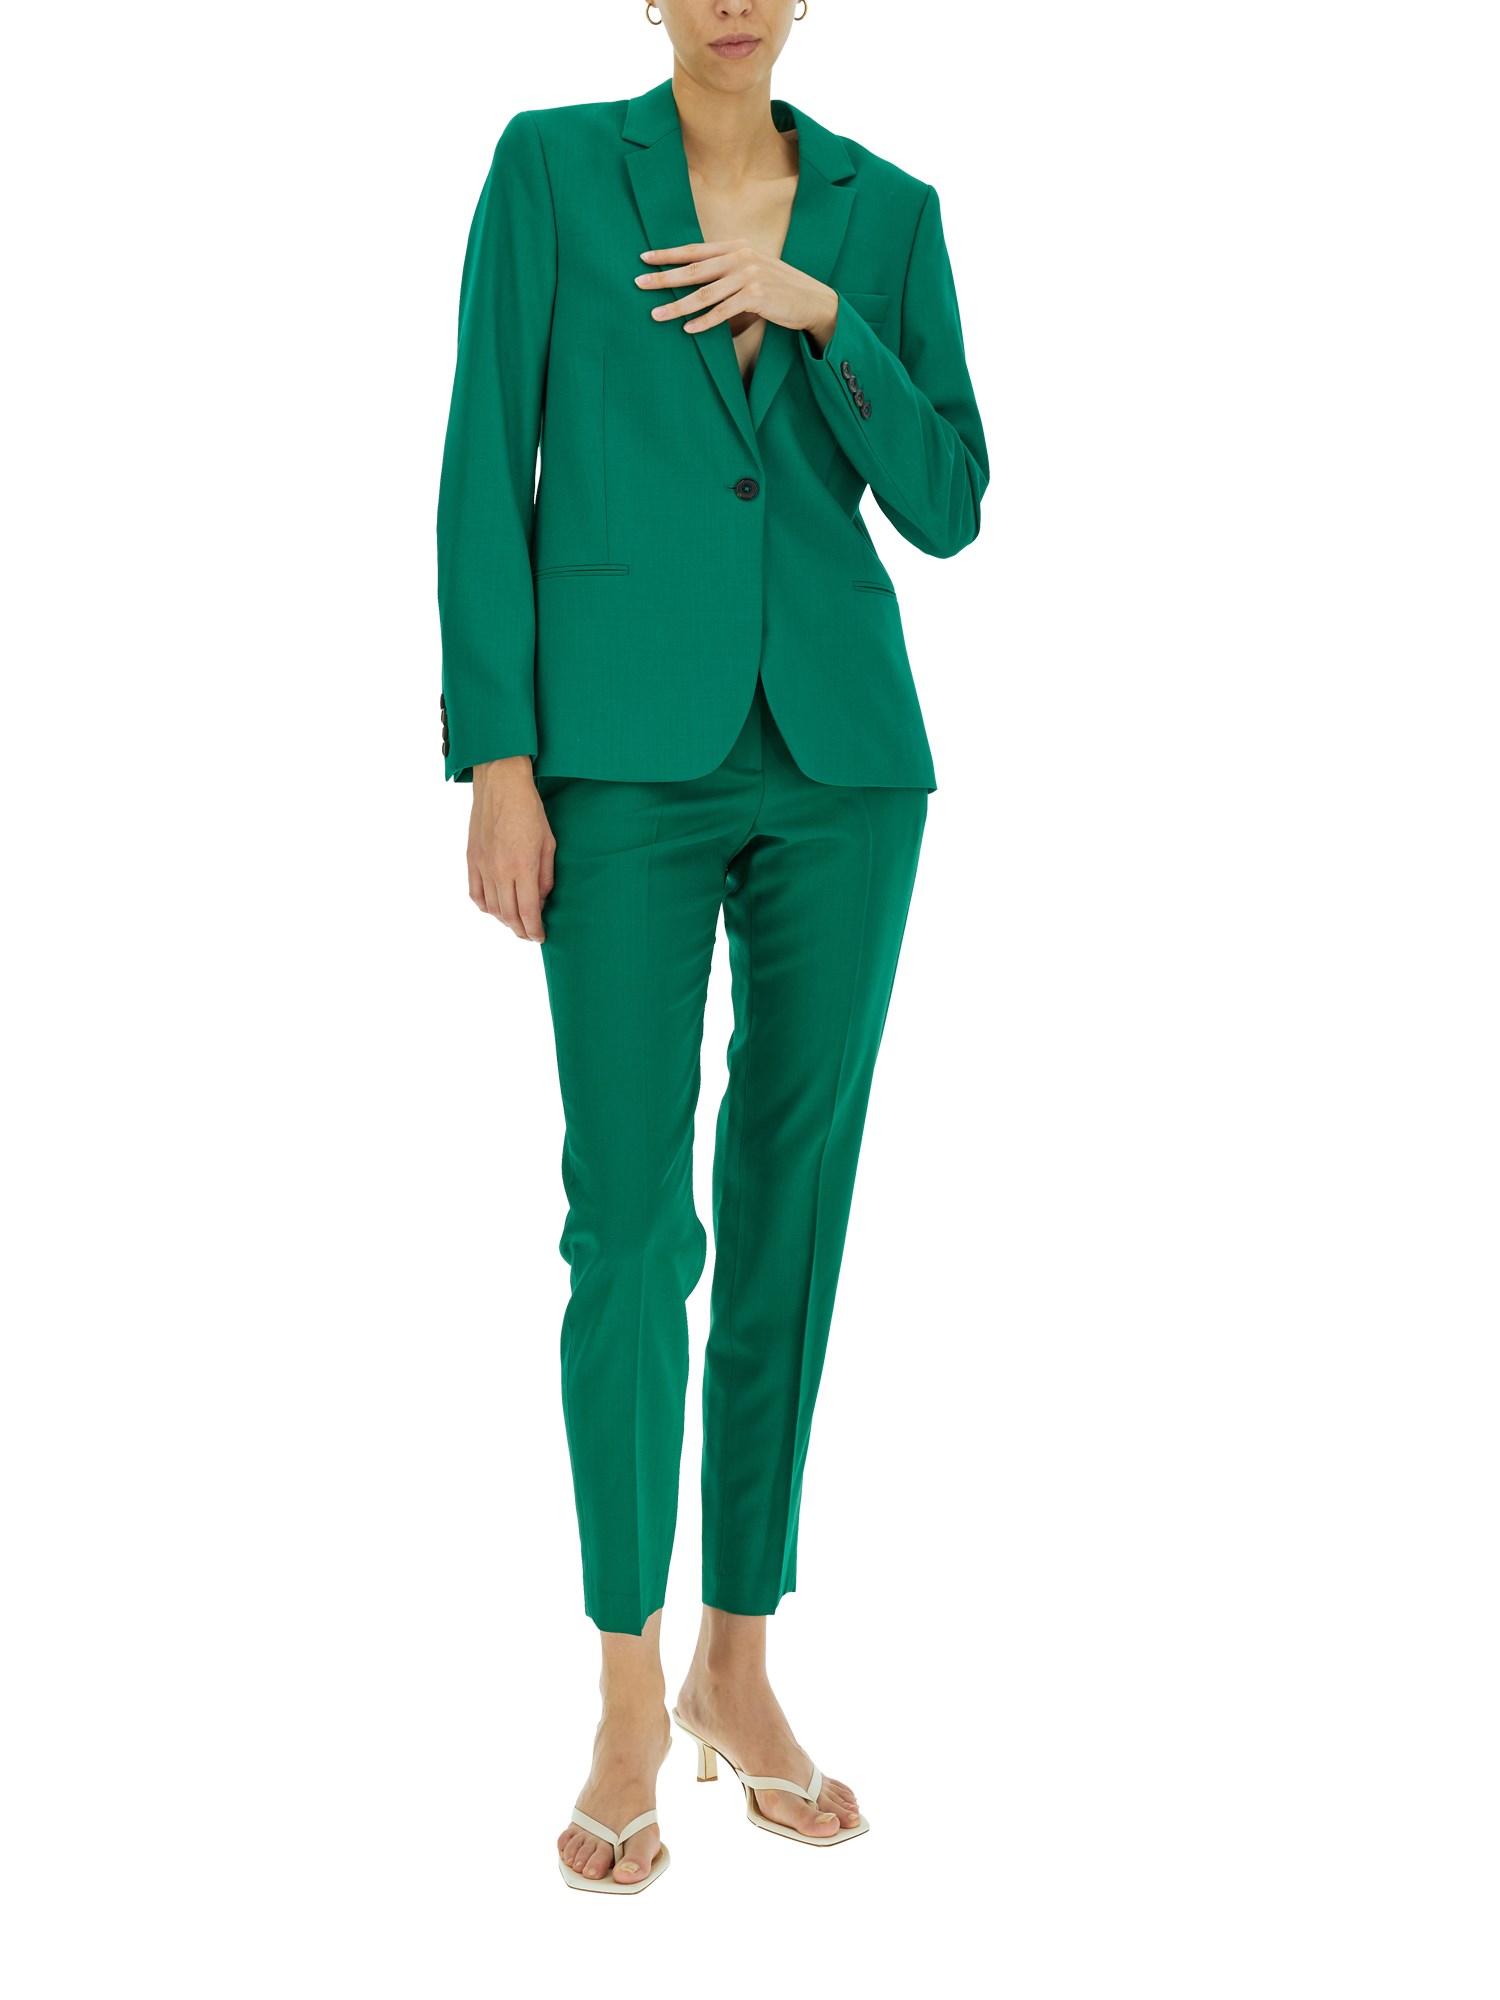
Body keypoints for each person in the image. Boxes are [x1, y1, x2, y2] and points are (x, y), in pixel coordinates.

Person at [436, 0, 988, 1895]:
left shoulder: (890, 211)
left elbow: (950, 505)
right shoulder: (547, 169)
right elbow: (485, 458)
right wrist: (498, 757)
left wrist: (826, 316)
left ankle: (737, 1665)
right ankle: (624, 1689)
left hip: (844, 767)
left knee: (790, 1214)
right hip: (617, 761)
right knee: (627, 1227)